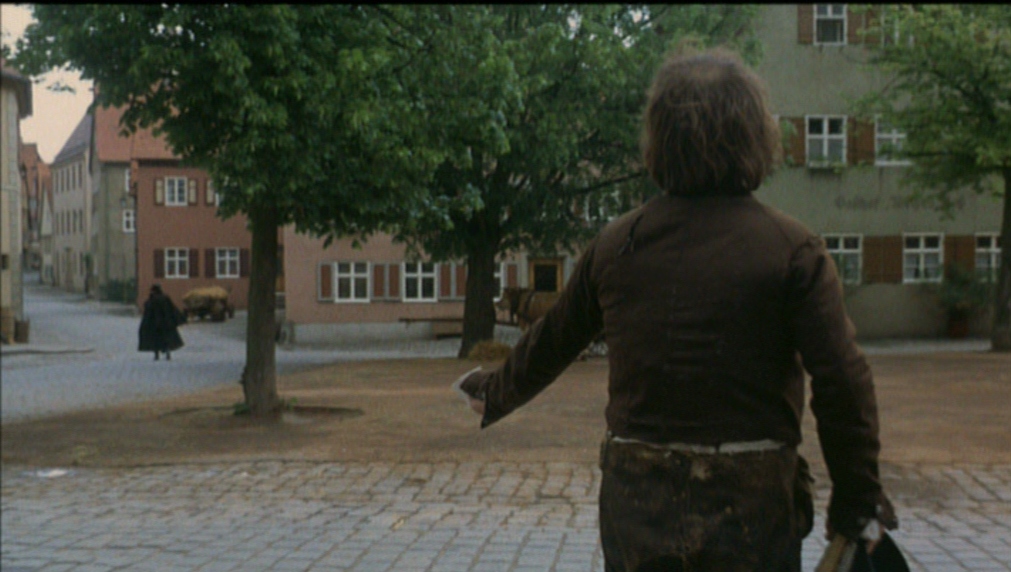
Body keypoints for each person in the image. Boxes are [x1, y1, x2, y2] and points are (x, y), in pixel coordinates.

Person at [455, 47, 897, 571]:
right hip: (752, 508)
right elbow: (843, 380)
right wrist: (858, 503)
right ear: (755, 136)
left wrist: (494, 393)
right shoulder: (792, 248)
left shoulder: (617, 244)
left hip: (638, 504)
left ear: (658, 140)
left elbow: (554, 338)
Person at [138, 284, 185, 361]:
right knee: (166, 340)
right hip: (165, 324)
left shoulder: (152, 300)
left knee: (156, 340)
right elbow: (172, 309)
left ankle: (156, 355)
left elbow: (148, 311)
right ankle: (167, 353)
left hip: (155, 324)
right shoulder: (165, 298)